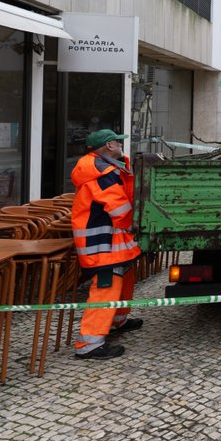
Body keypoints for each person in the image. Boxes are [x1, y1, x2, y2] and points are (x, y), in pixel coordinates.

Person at [70, 129, 143, 360]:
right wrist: (139, 224)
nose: (121, 146)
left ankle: (116, 321)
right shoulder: (100, 172)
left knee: (124, 278)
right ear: (109, 146)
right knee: (106, 287)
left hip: (112, 240)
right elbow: (119, 208)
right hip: (102, 243)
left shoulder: (101, 166)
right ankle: (89, 344)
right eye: (117, 143)